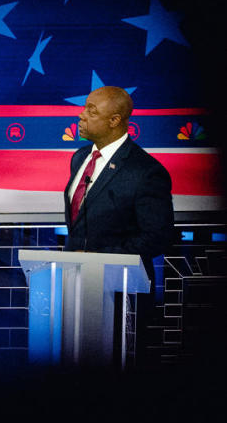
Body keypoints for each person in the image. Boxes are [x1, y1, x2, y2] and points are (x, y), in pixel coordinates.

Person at [65, 85, 174, 284]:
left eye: (91, 111)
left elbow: (158, 238)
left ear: (114, 120)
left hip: (121, 289)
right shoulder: (80, 158)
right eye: (84, 108)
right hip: (75, 283)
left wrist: (96, 258)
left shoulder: (146, 171)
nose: (81, 115)